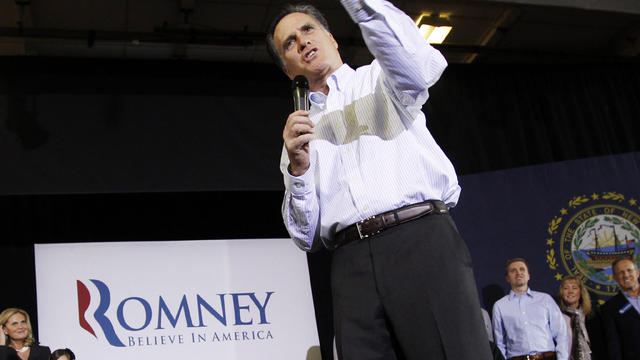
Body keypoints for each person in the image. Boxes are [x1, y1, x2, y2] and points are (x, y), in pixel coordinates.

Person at [267, 1, 492, 359]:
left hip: (420, 240)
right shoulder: (298, 134)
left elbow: (420, 68)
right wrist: (297, 168)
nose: (302, 42)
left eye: (308, 30)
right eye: (289, 43)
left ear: (331, 37)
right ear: (286, 67)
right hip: (349, 262)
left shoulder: (380, 79)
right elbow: (305, 235)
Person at [492, 258, 569, 360]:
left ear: (528, 276)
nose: (518, 273)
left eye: (522, 269)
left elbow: (561, 334)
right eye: (513, 271)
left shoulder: (545, 299)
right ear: (508, 278)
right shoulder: (500, 306)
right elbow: (499, 343)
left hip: (548, 357)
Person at [601, 257, 640, 360]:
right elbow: (613, 345)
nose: (626, 275)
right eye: (621, 272)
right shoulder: (609, 308)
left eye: (629, 270)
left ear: (637, 273)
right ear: (615, 278)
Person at [557, 276, 598, 360]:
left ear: (581, 292)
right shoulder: (557, 318)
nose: (570, 291)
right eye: (566, 288)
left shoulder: (592, 316)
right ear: (561, 293)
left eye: (574, 288)